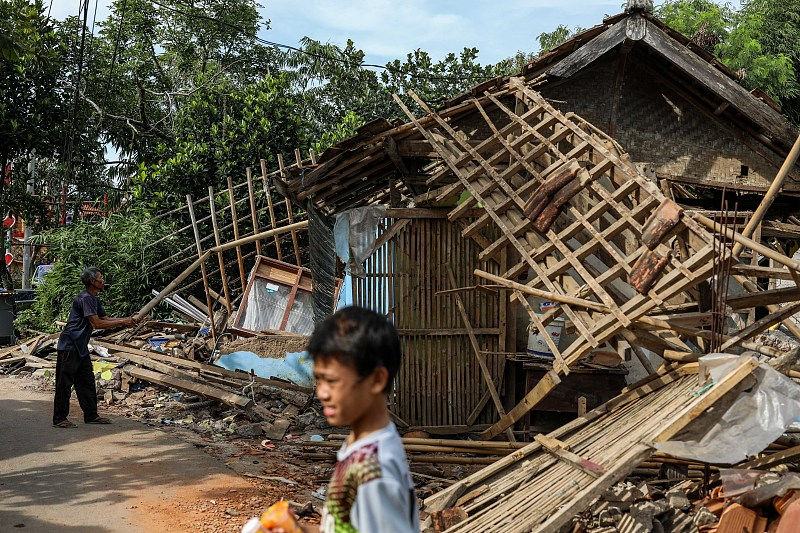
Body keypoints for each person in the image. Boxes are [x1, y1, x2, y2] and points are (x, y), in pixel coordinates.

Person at [256, 306, 419, 533]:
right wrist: (300, 529)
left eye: (331, 381)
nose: (322, 393)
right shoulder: (365, 444)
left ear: (377, 380)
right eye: (319, 380)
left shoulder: (372, 472)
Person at [52, 267, 138, 428]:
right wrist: (124, 321)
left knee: (87, 382)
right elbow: (97, 323)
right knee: (64, 383)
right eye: (100, 278)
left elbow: (105, 318)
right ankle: (59, 418)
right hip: (70, 345)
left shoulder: (94, 299)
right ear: (92, 281)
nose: (103, 280)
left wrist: (128, 319)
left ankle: (91, 415)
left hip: (81, 347)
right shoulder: (85, 298)